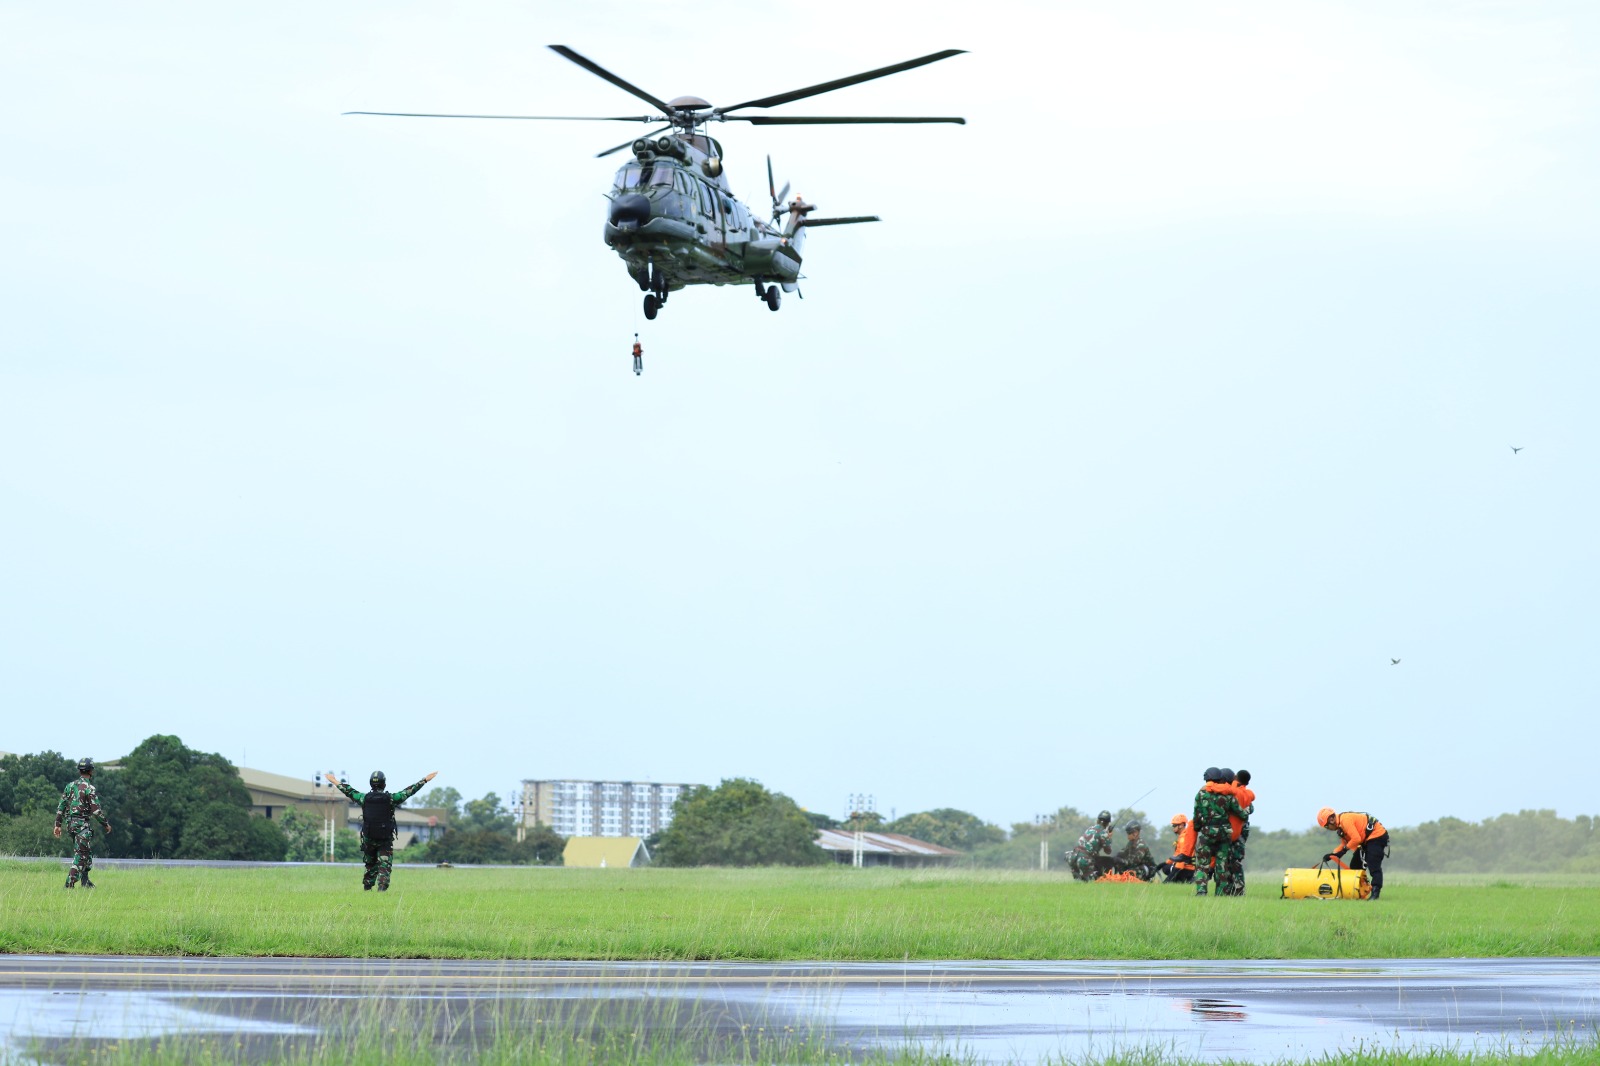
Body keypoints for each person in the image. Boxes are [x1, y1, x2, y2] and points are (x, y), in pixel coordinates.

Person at [328, 769, 438, 891]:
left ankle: (367, 888)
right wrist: (424, 780)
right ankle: (381, 889)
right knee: (384, 865)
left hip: (369, 838)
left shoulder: (364, 798)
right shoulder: (391, 799)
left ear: (370, 783)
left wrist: (334, 781)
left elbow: (349, 791)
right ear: (384, 784)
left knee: (370, 864)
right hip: (385, 839)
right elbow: (408, 792)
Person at [53, 757, 112, 889]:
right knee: (81, 855)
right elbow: (96, 811)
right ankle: (69, 885)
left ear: (79, 770)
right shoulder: (89, 788)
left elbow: (61, 807)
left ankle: (85, 882)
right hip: (81, 826)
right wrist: (106, 824)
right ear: (91, 771)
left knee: (87, 853)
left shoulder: (70, 786)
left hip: (70, 825)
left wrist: (57, 825)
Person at [1192, 767, 1247, 897]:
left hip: (1207, 834)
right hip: (1223, 835)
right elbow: (1241, 813)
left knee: (1202, 864)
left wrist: (1198, 827)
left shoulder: (1201, 794)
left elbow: (1196, 815)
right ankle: (1221, 893)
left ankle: (1201, 891)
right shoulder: (1228, 794)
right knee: (1222, 865)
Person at [1318, 807, 1390, 900]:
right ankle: (1359, 891)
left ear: (1331, 820)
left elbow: (1356, 839)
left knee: (1373, 864)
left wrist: (1343, 850)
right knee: (1355, 865)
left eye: (1327, 826)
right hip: (1366, 840)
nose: (1329, 829)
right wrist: (1332, 855)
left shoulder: (1345, 820)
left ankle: (1375, 893)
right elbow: (1344, 844)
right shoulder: (1341, 828)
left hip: (1377, 836)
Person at [1220, 769, 1255, 896]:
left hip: (1237, 832)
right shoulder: (1247, 793)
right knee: (1231, 860)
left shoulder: (1238, 793)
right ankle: (1234, 887)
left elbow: (1245, 810)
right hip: (1240, 831)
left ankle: (1238, 888)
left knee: (1233, 860)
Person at [1067, 810, 1114, 881]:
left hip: (1073, 857)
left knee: (1079, 882)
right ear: (1107, 823)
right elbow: (1108, 851)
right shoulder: (1104, 833)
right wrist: (1109, 838)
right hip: (1084, 859)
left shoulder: (1090, 828)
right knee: (1093, 882)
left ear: (1098, 820)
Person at [1158, 814, 1196, 883]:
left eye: (1174, 825)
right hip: (1189, 868)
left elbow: (1181, 859)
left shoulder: (1183, 838)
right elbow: (1177, 855)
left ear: (1181, 825)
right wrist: (1164, 863)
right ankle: (1181, 880)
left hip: (1186, 869)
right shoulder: (1183, 836)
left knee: (1166, 869)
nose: (1173, 827)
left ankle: (1184, 879)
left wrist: (1169, 879)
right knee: (1165, 866)